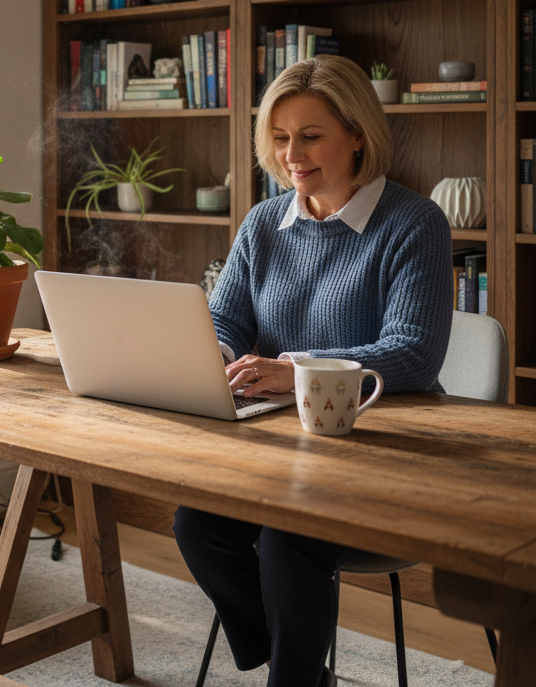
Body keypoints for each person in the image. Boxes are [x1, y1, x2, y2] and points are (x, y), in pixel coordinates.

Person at [174, 54, 452, 687]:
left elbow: (413, 352)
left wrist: (290, 369)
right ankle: (299, 673)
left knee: (285, 539)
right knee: (197, 525)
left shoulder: (415, 224)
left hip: (381, 448)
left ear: (358, 133)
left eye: (310, 135)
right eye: (279, 138)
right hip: (280, 449)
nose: (291, 155)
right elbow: (223, 322)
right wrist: (215, 361)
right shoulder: (264, 223)